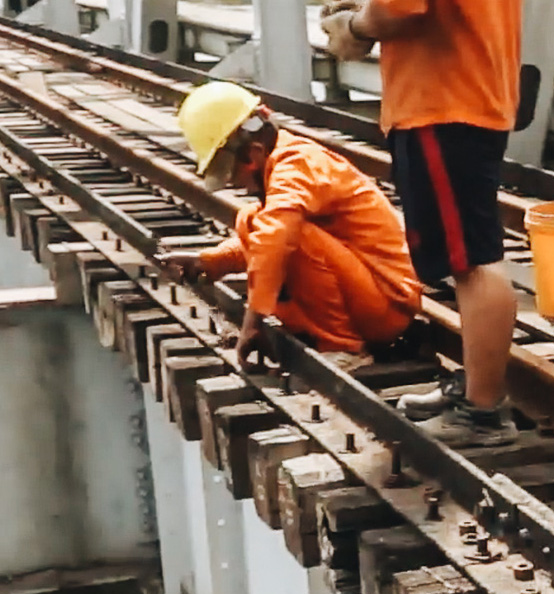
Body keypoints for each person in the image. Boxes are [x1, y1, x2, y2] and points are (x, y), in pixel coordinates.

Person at [322, 0, 522, 446]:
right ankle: (474, 391)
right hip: (469, 92)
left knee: (473, 260)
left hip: (443, 101)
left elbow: (402, 8)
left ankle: (483, 414)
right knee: (467, 254)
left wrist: (353, 27)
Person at [156, 83, 422, 368]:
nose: (236, 183)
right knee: (251, 218)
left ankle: (343, 346)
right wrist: (213, 261)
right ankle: (330, 333)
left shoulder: (297, 164)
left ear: (253, 153)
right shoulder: (284, 164)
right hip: (367, 295)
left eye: (231, 171)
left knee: (288, 234)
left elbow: (276, 238)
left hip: (386, 307)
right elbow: (263, 236)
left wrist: (253, 319)